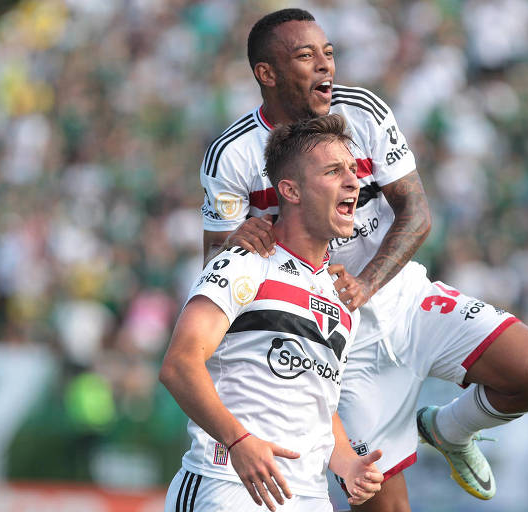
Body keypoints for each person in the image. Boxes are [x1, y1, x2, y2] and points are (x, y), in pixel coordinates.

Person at [199, 8, 528, 511]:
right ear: (267, 74)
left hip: (403, 298)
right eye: (306, 57)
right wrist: (239, 241)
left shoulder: (364, 111)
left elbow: (416, 213)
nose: (326, 66)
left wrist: (367, 284)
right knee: (385, 507)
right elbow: (216, 265)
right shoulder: (234, 154)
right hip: (333, 344)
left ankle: (447, 428)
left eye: (328, 53)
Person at [161, 114, 385, 512]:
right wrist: (238, 442)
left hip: (310, 498)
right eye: (334, 171)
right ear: (290, 190)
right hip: (228, 485)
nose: (354, 181)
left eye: (353, 170)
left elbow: (319, 401)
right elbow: (179, 364)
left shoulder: (339, 297)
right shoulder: (245, 261)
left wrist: (347, 461)